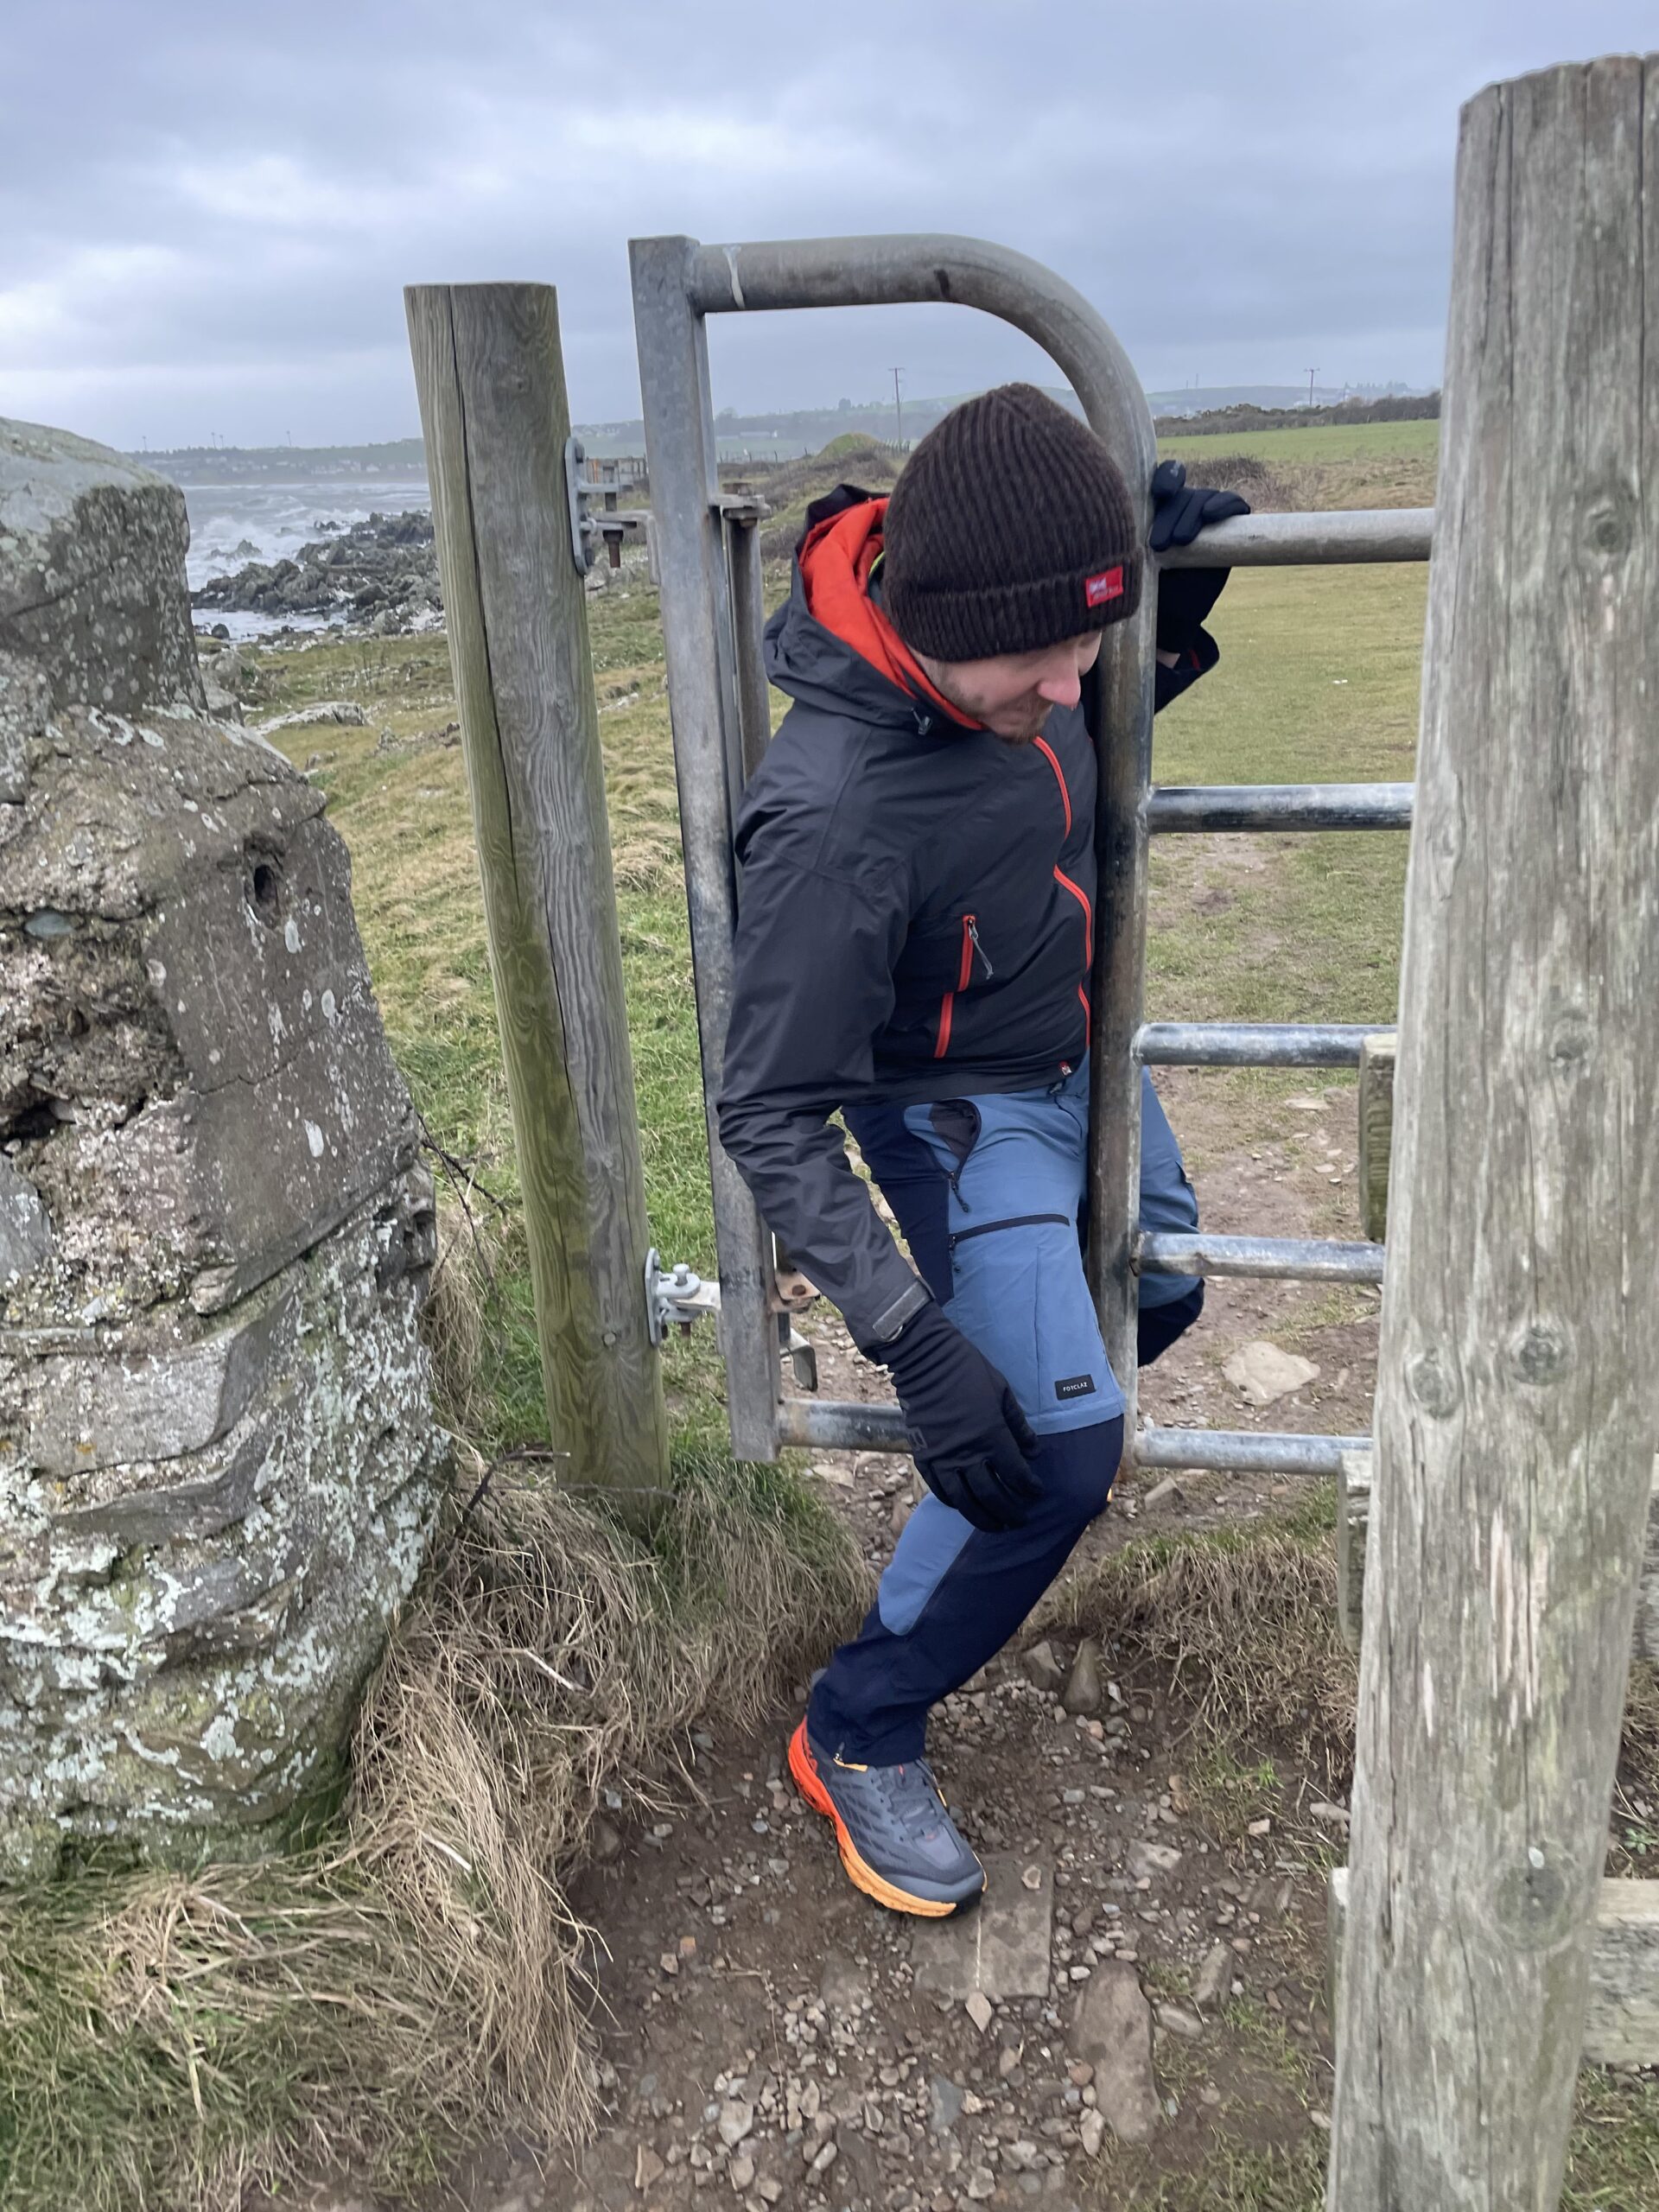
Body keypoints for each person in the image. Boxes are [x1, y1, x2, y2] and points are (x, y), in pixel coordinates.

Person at [717, 385, 1246, 1916]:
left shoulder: (1002, 665)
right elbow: (766, 1109)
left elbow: (1040, 763)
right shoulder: (833, 819)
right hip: (964, 1111)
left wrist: (1163, 635)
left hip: (1078, 1054)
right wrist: (911, 1338)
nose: (1080, 679)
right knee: (1062, 1454)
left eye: (1097, 639)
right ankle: (858, 1723)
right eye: (1055, 652)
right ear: (951, 631)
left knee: (1162, 1294)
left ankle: (1006, 1480)